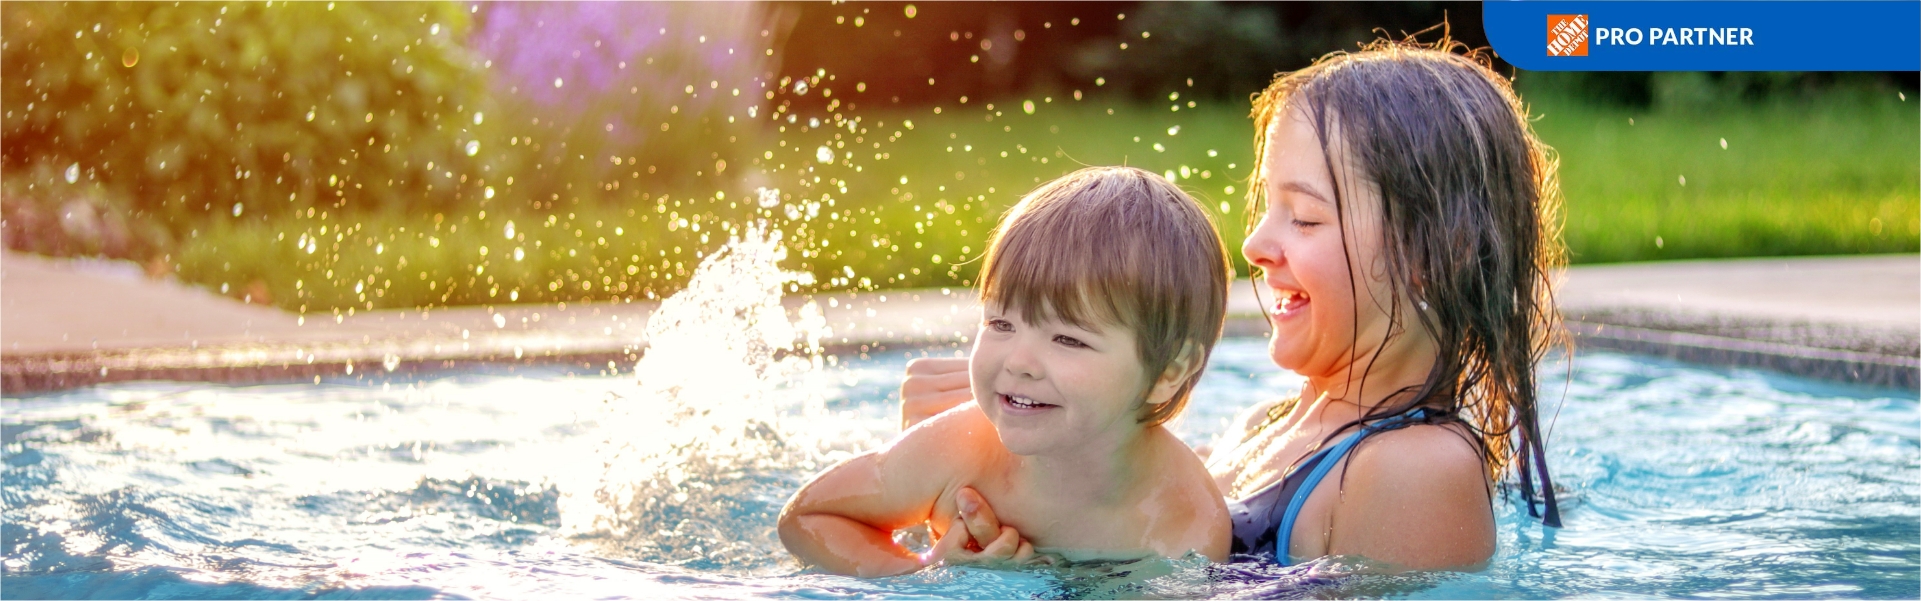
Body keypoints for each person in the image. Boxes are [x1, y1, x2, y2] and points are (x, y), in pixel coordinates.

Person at [898, 38, 1565, 571]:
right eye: (1267, 207)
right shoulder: (1263, 423)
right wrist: (1004, 469)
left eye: (1303, 218)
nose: (1254, 242)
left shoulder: (1418, 470)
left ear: (1435, 252)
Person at [779, 166, 1237, 577]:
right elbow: (806, 518)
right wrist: (920, 571)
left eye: (1068, 339)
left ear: (1169, 371)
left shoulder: (1183, 524)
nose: (1017, 361)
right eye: (1001, 323)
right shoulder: (960, 451)